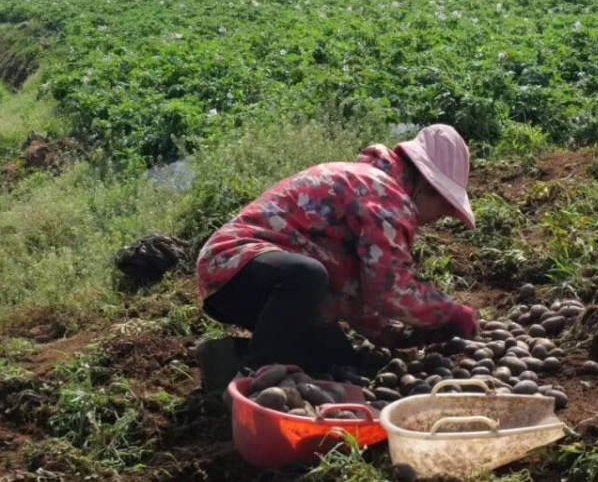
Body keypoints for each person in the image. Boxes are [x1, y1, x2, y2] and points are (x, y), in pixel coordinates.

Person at [193, 124, 479, 393]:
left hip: (261, 287)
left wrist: (399, 337)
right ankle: (251, 377)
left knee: (337, 356)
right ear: (427, 187)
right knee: (306, 276)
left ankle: (227, 358)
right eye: (441, 211)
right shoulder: (386, 195)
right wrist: (450, 312)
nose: (434, 221)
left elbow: (358, 294)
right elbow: (390, 292)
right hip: (236, 263)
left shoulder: (376, 190)